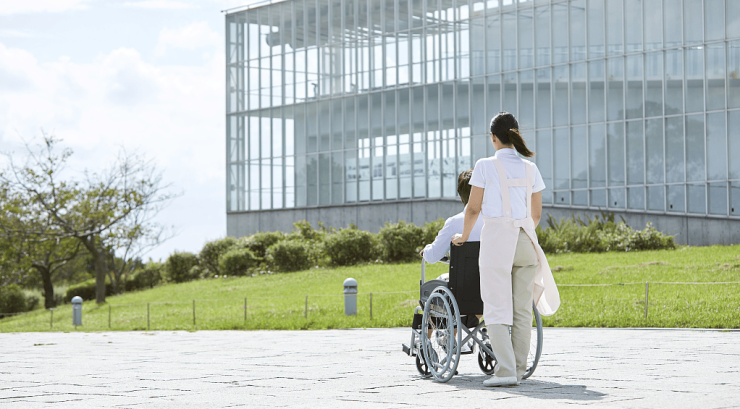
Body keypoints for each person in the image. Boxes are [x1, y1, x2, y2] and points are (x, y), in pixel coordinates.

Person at [452, 112, 560, 387]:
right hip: (525, 241)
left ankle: (506, 371)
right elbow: (536, 215)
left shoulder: (484, 165)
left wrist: (464, 236)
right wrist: (521, 229)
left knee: (495, 307)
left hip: (497, 243)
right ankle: (519, 370)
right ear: (515, 135)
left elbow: (473, 208)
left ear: (493, 137)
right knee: (522, 311)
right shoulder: (530, 168)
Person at [419, 169, 484, 265]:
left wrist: (426, 251)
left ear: (460, 195)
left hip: (463, 275)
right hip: (494, 274)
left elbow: (432, 256)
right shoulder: (498, 220)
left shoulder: (453, 223)